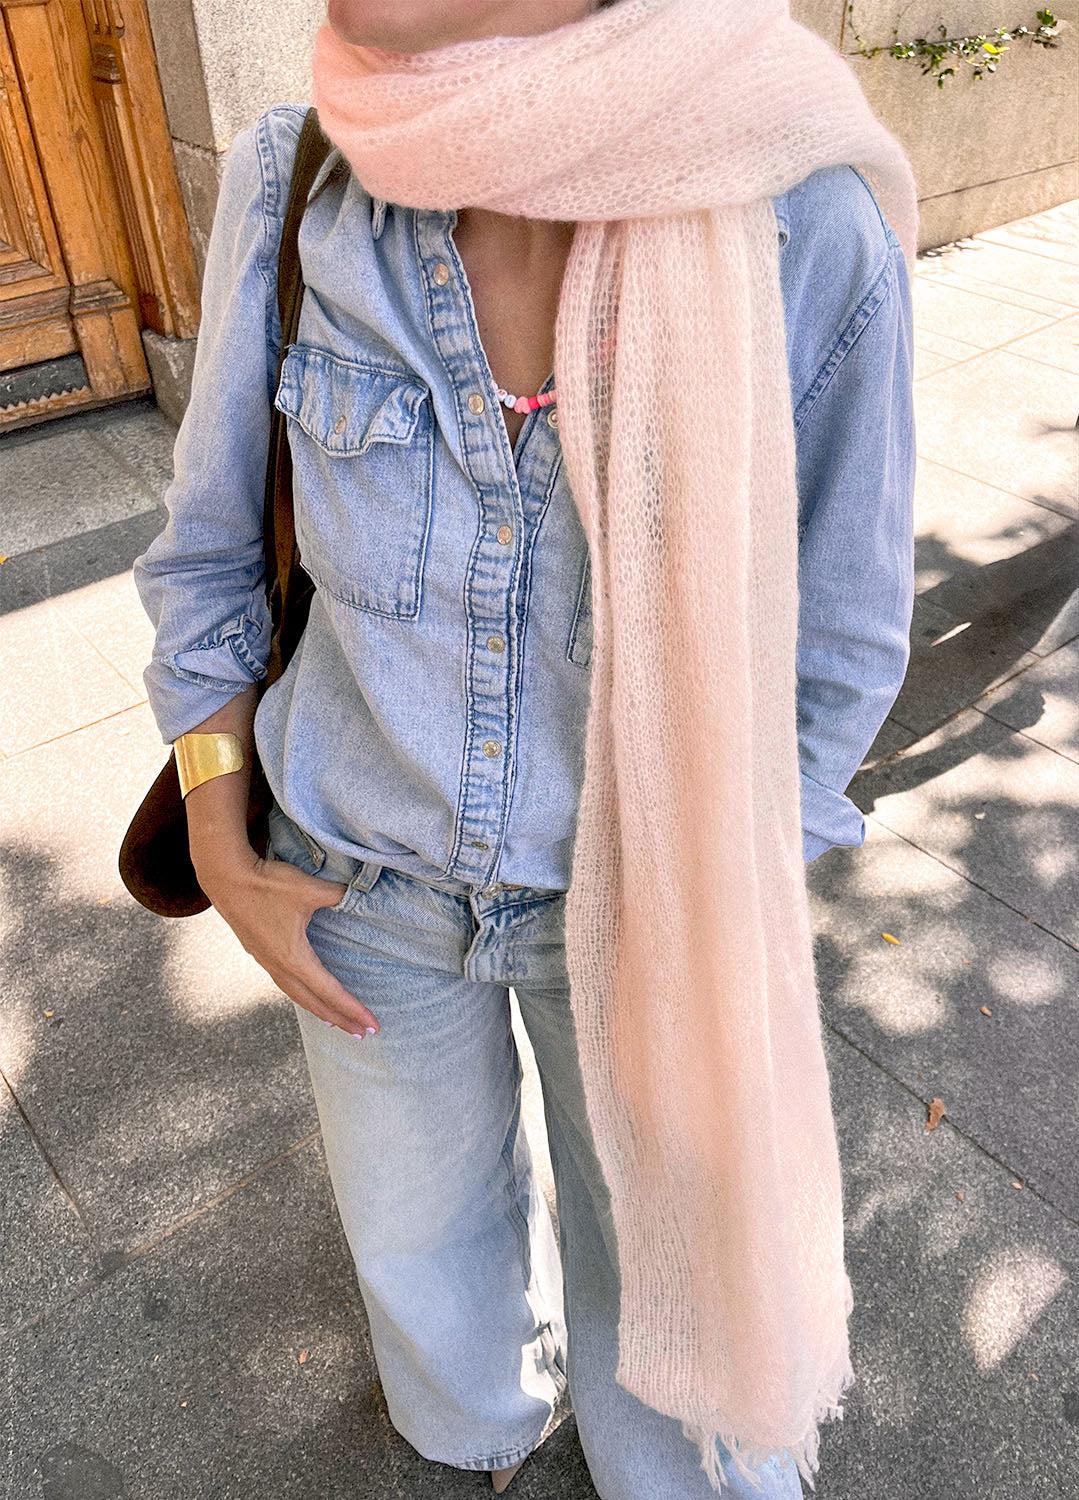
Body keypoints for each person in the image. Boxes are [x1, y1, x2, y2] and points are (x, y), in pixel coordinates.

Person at [133, 1, 916, 1494]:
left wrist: (726, 908)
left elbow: (841, 642)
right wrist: (221, 842)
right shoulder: (301, 178)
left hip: (648, 906)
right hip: (354, 891)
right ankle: (486, 1428)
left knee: (680, 1305)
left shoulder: (799, 216)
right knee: (423, 1257)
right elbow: (211, 554)